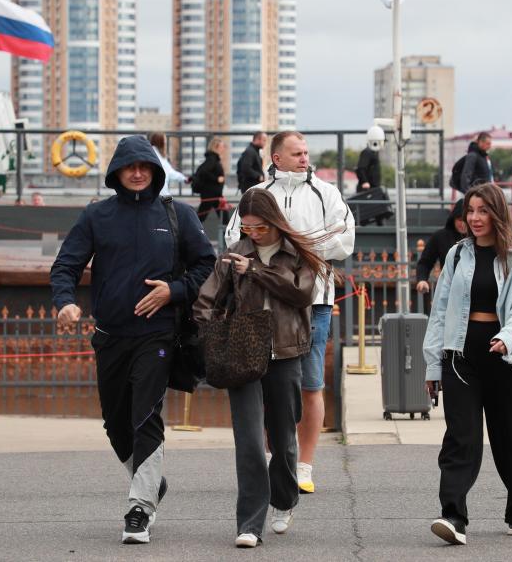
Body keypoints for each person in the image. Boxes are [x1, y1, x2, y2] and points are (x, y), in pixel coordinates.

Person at [50, 134, 216, 544]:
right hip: (110, 337)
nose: (138, 173)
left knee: (146, 416)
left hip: (158, 335)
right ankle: (151, 480)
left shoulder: (178, 214)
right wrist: (65, 302)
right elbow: (65, 265)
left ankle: (140, 508)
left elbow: (206, 266)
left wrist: (173, 291)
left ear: (156, 171)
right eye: (130, 167)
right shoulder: (97, 216)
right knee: (116, 424)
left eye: (145, 167)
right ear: (117, 173)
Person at [194, 189, 329, 548]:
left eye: (260, 228)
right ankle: (250, 524)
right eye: (247, 228)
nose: (253, 234)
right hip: (242, 353)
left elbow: (301, 294)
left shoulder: (297, 253)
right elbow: (206, 298)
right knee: (250, 441)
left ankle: (283, 500)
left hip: (286, 352)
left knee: (283, 437)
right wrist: (209, 334)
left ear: (274, 223)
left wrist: (255, 270)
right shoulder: (233, 253)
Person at [224, 130, 355, 495]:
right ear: (276, 158)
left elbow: (345, 238)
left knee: (311, 384)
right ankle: (276, 460)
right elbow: (236, 237)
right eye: (297, 153)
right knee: (269, 387)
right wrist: (304, 244)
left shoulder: (326, 193)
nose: (304, 159)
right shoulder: (257, 194)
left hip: (315, 301)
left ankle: (303, 466)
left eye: (306, 152)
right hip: (264, 304)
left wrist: (289, 245)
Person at [423, 183, 512, 545]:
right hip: (460, 357)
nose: (474, 218)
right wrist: (433, 365)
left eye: (482, 210)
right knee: (462, 437)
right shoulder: (457, 255)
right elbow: (440, 311)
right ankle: (453, 516)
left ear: (497, 213)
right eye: (470, 211)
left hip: (502, 357)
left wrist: (510, 337)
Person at [415, 199, 467, 294]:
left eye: (466, 220)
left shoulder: (480, 238)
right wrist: (422, 279)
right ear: (453, 219)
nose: (463, 224)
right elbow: (425, 262)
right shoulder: (440, 237)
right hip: (449, 290)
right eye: (460, 220)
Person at [192, 137, 227, 224]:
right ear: (216, 147)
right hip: (210, 194)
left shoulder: (214, 159)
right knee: (200, 217)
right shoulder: (212, 159)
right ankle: (190, 230)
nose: (223, 149)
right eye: (222, 146)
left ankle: (227, 232)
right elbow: (204, 172)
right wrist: (217, 179)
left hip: (215, 194)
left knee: (224, 216)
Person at [148, 132, 188, 197]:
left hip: (157, 194)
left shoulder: (152, 153)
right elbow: (170, 172)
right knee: (173, 203)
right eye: (165, 140)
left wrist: (184, 179)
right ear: (161, 142)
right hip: (161, 195)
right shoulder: (159, 157)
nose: (166, 143)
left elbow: (170, 172)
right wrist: (184, 179)